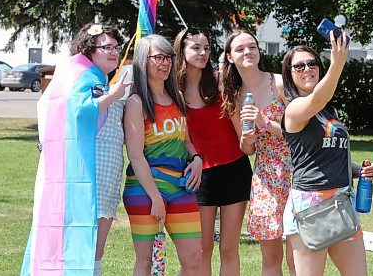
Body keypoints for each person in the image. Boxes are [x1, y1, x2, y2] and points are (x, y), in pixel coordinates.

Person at [21, 23, 130, 276]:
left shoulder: (97, 78)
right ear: (89, 49)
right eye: (107, 47)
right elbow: (80, 112)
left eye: (116, 47)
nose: (114, 52)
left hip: (103, 172)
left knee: (93, 246)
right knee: (80, 244)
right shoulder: (82, 77)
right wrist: (113, 96)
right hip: (83, 171)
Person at [281, 39, 373, 276]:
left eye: (312, 63)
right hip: (311, 207)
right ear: (289, 75)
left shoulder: (329, 111)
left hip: (341, 202)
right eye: (299, 66)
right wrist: (338, 63)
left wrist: (358, 170)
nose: (307, 69)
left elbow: (322, 153)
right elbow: (316, 99)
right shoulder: (294, 109)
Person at [173, 28, 253, 276]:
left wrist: (249, 142)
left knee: (229, 249)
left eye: (206, 48)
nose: (202, 53)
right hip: (199, 175)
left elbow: (240, 129)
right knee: (202, 249)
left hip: (234, 169)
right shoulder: (174, 90)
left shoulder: (219, 82)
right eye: (195, 47)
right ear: (182, 51)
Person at [122, 34, 202, 275]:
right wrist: (155, 197)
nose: (165, 63)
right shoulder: (136, 102)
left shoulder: (177, 97)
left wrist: (197, 158)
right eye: (158, 57)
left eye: (168, 57)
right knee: (146, 261)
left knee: (194, 259)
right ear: (143, 61)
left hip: (180, 188)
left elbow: (186, 140)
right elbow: (135, 155)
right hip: (144, 190)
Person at [221, 30, 292, 276]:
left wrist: (264, 123)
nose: (247, 52)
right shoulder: (233, 96)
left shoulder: (280, 82)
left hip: (296, 169)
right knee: (270, 255)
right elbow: (248, 150)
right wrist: (246, 139)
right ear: (230, 57)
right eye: (240, 49)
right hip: (265, 175)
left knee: (297, 252)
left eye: (252, 47)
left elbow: (302, 132)